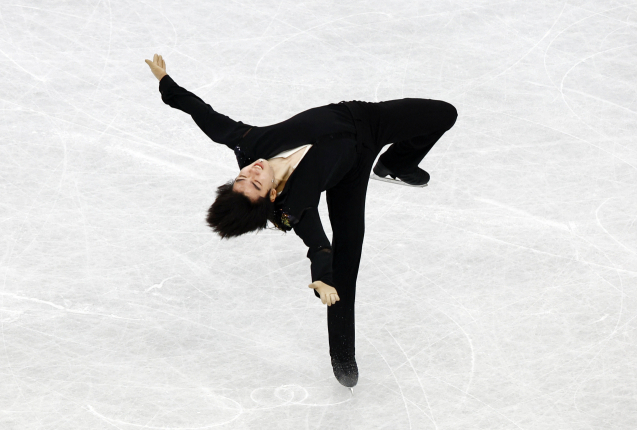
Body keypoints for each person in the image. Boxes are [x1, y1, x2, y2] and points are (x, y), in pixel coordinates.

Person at [145, 53, 458, 390]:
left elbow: (203, 114)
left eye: (241, 177)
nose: (252, 172)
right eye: (254, 184)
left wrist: (166, 83)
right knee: (345, 262)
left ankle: (396, 165)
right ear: (271, 197)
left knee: (445, 114)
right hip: (349, 177)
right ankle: (342, 355)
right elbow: (318, 245)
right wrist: (322, 280)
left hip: (365, 117)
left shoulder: (250, 144)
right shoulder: (294, 206)